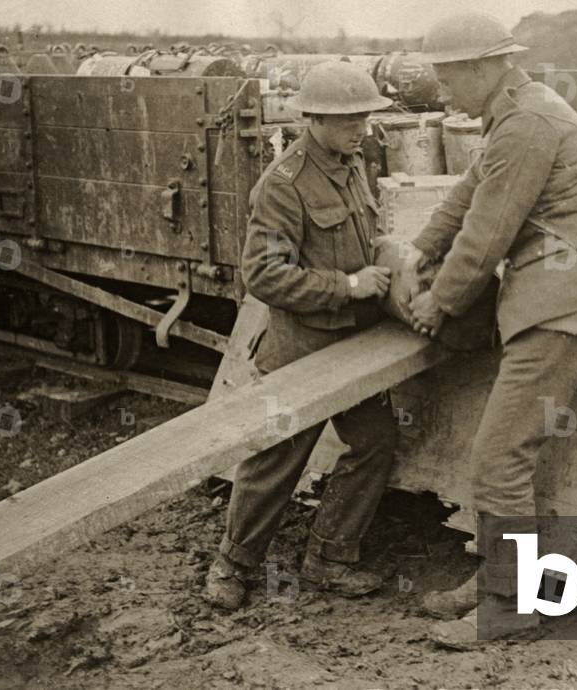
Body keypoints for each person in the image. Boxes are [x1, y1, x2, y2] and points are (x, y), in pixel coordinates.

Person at [406, 11, 577, 645]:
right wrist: (417, 252)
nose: (442, 92)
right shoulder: (514, 112)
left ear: (483, 67)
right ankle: (498, 582)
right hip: (549, 300)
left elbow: (486, 235)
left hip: (562, 309)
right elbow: (468, 194)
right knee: (499, 455)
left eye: (447, 78)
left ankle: (511, 605)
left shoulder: (527, 123)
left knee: (499, 459)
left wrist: (438, 301)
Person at [204, 60, 398, 610]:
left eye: (363, 117)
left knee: (376, 441)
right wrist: (349, 284)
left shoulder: (352, 162)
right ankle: (233, 564)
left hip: (352, 343)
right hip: (302, 345)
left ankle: (330, 557)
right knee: (277, 458)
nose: (359, 128)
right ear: (312, 118)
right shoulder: (282, 185)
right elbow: (263, 276)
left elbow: (365, 233)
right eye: (346, 120)